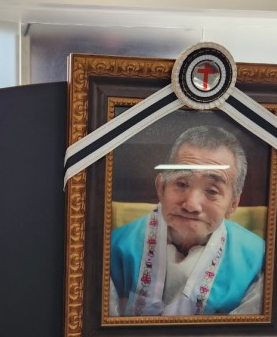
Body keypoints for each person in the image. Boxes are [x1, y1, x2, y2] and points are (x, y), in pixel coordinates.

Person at [109, 125, 265, 316]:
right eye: (182, 184)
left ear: (233, 204)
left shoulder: (259, 260)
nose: (191, 205)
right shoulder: (112, 249)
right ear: (161, 187)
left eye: (212, 191)